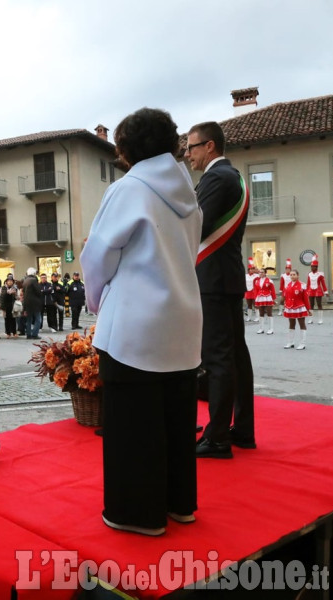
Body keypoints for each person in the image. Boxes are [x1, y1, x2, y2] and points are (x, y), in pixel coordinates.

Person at [81, 107, 203, 536]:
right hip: (183, 319)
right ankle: (179, 503)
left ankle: (137, 514)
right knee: (175, 417)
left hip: (135, 322)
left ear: (126, 149)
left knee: (133, 423)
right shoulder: (189, 195)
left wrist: (97, 302)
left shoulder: (129, 188)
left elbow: (98, 256)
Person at [186, 120, 255, 459]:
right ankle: (242, 429)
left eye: (192, 147)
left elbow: (196, 225)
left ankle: (217, 438)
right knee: (236, 355)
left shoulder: (215, 177)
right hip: (226, 277)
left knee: (218, 357)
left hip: (212, 279)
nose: (188, 155)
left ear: (209, 146)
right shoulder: (236, 177)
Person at [282, 269, 310, 350]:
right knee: (291, 324)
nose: (292, 276)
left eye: (294, 274)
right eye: (291, 275)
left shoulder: (302, 285)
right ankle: (291, 342)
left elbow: (305, 298)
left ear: (298, 275)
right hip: (290, 307)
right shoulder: (288, 285)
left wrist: (308, 309)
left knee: (302, 324)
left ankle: (302, 343)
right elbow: (286, 297)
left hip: (300, 307)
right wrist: (285, 306)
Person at [306, 257, 328, 324]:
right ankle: (310, 319)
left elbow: (323, 284)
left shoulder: (320, 274)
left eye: (313, 267)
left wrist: (325, 291)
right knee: (311, 305)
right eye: (311, 267)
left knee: (319, 304)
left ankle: (320, 319)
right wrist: (306, 291)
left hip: (318, 290)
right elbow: (308, 283)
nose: (312, 268)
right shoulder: (309, 274)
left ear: (316, 267)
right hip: (311, 290)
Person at [21, 268, 42, 339]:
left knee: (29, 319)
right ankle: (35, 334)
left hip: (27, 303)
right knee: (38, 319)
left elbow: (24, 292)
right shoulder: (34, 280)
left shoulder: (25, 281)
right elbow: (38, 291)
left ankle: (28, 334)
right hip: (35, 303)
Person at [254, 268, 276, 335]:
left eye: (262, 272)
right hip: (260, 298)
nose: (261, 273)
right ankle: (261, 328)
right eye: (260, 272)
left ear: (265, 273)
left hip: (268, 298)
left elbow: (273, 291)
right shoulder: (257, 281)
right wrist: (256, 298)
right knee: (261, 313)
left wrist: (273, 299)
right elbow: (256, 290)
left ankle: (271, 329)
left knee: (269, 313)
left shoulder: (270, 281)